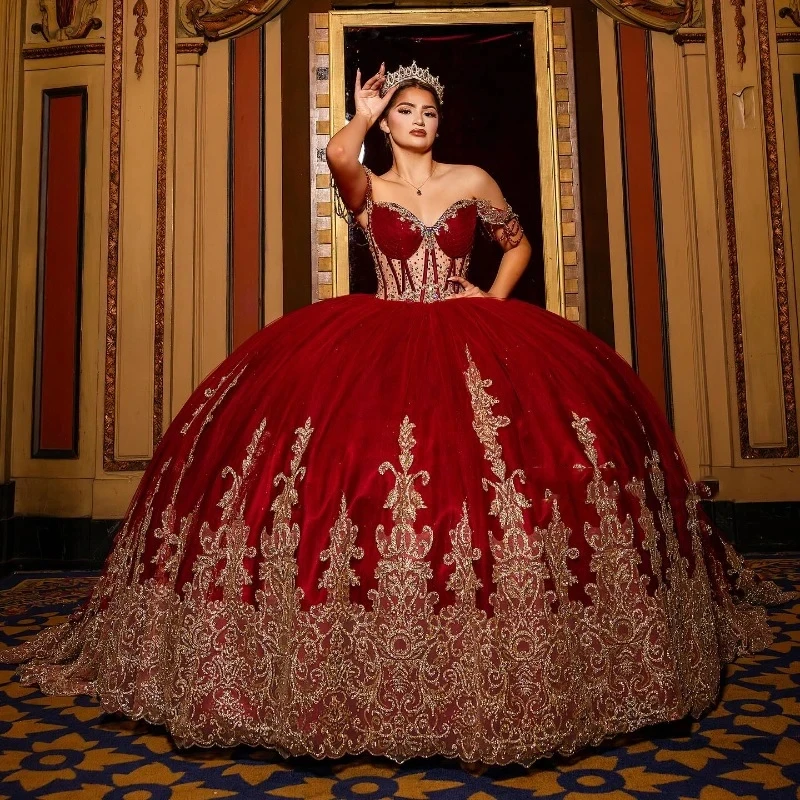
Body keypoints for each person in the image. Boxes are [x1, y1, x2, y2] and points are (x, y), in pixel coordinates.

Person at [1, 62, 793, 767]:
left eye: (427, 112)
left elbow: (517, 243)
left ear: (441, 123)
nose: (418, 121)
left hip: (467, 326)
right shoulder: (368, 185)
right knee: (357, 481)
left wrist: (490, 297)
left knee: (494, 479)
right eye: (406, 111)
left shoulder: (473, 179)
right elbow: (339, 156)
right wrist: (363, 110)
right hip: (380, 330)